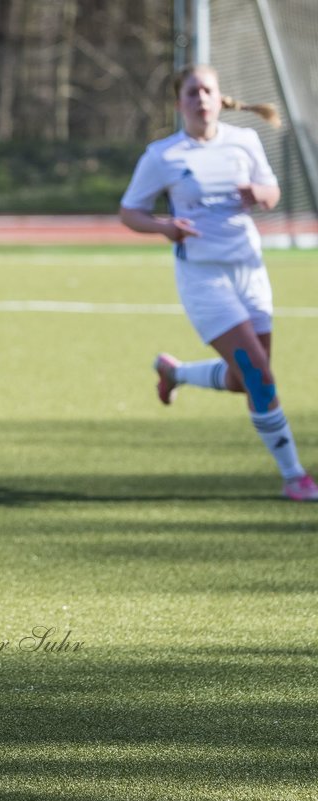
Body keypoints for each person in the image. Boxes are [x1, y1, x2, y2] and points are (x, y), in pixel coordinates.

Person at [120, 64, 317, 502]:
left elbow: (272, 191)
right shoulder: (163, 155)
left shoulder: (243, 141)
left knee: (247, 378)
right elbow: (130, 212)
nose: (201, 99)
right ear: (180, 104)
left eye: (207, 90)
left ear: (219, 96)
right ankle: (295, 477)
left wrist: (258, 196)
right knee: (260, 375)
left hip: (250, 270)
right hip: (203, 278)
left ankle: (175, 373)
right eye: (192, 93)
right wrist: (166, 226)